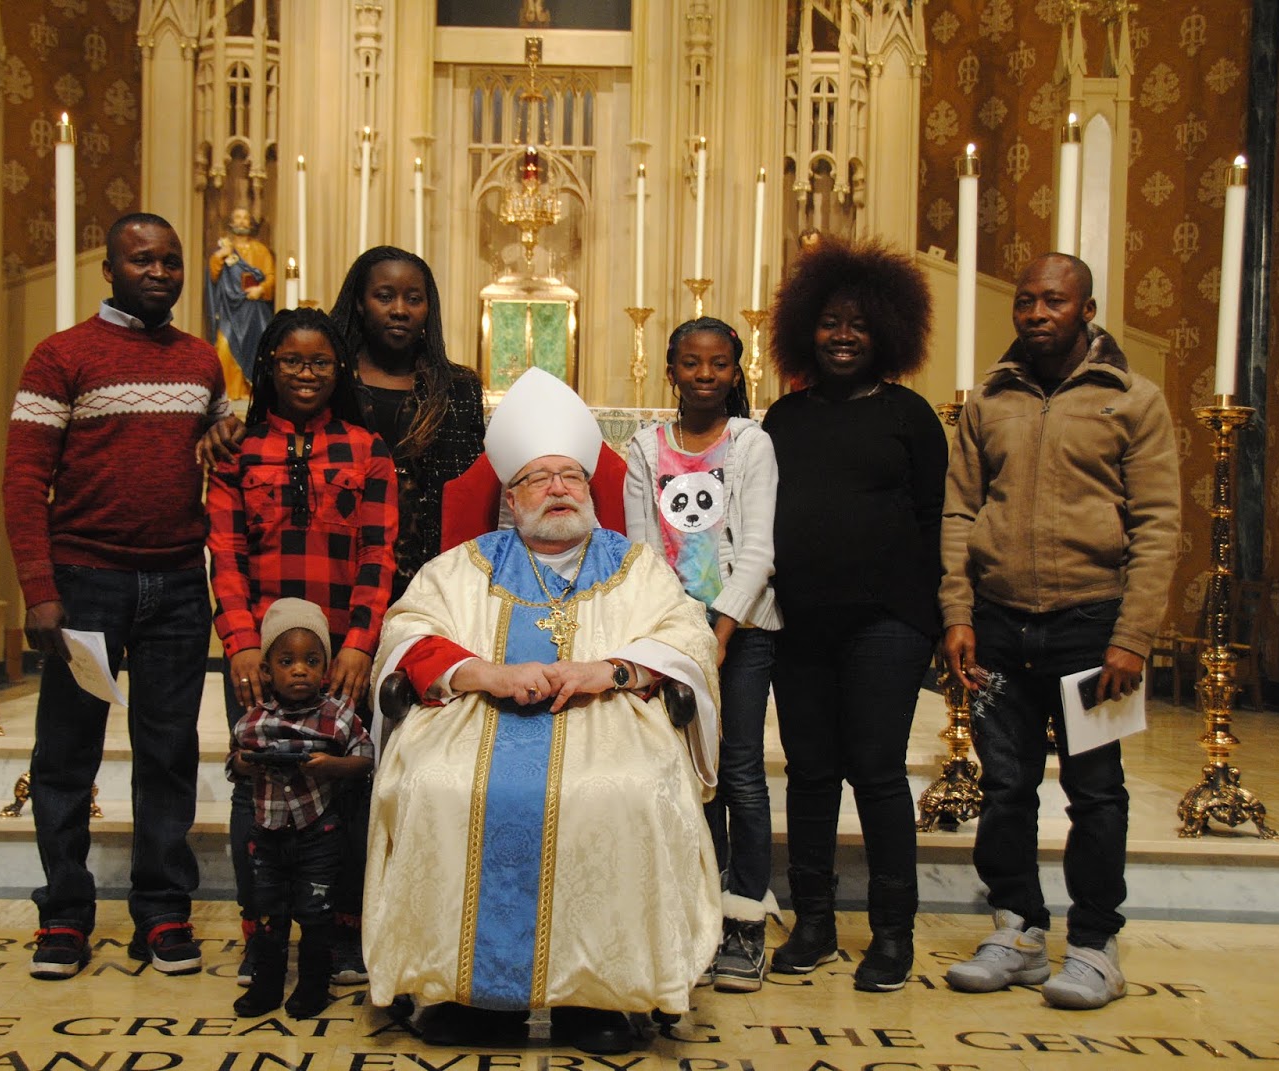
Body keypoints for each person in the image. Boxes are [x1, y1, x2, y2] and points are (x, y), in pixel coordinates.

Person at [364, 369, 721, 1055]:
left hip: (608, 718)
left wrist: (612, 669)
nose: (559, 488)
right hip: (476, 718)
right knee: (436, 784)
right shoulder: (466, 564)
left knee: (628, 790)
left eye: (571, 476)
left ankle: (601, 998)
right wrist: (484, 673)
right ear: (511, 496)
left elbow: (687, 636)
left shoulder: (635, 566)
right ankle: (466, 994)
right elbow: (409, 629)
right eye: (538, 478)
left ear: (589, 488)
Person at [940, 252, 1180, 1010]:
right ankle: (1017, 931)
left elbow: (1158, 523)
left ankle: (1096, 945)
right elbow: (960, 512)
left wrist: (1132, 637)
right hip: (999, 624)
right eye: (1026, 301)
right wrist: (958, 612)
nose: (1037, 313)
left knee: (1096, 791)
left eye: (1054, 300)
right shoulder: (989, 401)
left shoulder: (1132, 399)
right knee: (1006, 786)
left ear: (1087, 309)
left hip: (1092, 623)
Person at [2, 212, 229, 980]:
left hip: (177, 582)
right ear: (109, 269)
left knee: (168, 752)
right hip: (86, 582)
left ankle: (162, 909)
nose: (160, 272)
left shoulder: (201, 360)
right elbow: (24, 480)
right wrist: (39, 588)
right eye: (142, 259)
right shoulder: (61, 355)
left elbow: (222, 447)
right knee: (67, 754)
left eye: (171, 260)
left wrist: (226, 436)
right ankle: (64, 913)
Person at [762, 236, 946, 992]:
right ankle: (813, 921)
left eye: (860, 324)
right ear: (806, 327)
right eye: (831, 322)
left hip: (886, 622)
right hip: (799, 621)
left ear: (887, 333)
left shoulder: (911, 416)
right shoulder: (784, 417)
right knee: (810, 773)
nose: (843, 336)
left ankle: (893, 932)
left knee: (876, 772)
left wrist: (938, 619)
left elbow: (936, 520)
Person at [206, 306, 398, 986]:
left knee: (343, 786)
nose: (307, 373)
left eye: (320, 362)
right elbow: (225, 553)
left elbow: (379, 554)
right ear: (269, 366)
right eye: (292, 361)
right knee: (253, 783)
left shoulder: (368, 449)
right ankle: (260, 932)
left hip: (339, 654)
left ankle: (340, 932)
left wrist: (359, 645)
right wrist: (239, 643)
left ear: (339, 369)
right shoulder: (238, 451)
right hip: (260, 654)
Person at [623, 317, 781, 992]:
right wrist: (679, 637)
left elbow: (759, 551)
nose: (705, 374)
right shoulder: (644, 448)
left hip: (744, 632)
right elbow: (644, 553)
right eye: (691, 363)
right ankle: (699, 913)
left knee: (739, 771)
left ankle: (745, 920)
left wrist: (719, 632)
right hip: (674, 634)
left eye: (719, 363)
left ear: (735, 372)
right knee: (693, 771)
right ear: (671, 372)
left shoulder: (750, 443)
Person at [201, 245, 485, 600]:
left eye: (414, 299)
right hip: (337, 571)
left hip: (432, 575)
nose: (399, 309)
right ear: (360, 303)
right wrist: (230, 428)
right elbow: (277, 433)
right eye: (384, 296)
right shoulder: (325, 376)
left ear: (429, 308)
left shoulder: (457, 388)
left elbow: (471, 489)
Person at [227, 598, 374, 1020]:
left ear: (325, 668)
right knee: (269, 914)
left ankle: (313, 986)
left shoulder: (339, 717)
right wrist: (248, 762)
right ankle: (267, 985)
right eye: (287, 661)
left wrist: (332, 766)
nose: (299, 671)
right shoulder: (253, 720)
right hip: (268, 834)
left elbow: (366, 759)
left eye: (311, 661)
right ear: (267, 670)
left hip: (318, 835)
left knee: (316, 913)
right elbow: (234, 763)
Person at [206, 205, 276, 401]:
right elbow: (213, 276)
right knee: (224, 348)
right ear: (231, 223)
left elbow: (271, 276)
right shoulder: (224, 249)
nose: (242, 221)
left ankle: (249, 391)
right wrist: (220, 256)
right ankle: (227, 393)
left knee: (259, 346)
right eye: (237, 217)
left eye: (245, 218)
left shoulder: (261, 250)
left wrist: (261, 289)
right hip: (230, 309)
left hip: (254, 309)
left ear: (250, 223)